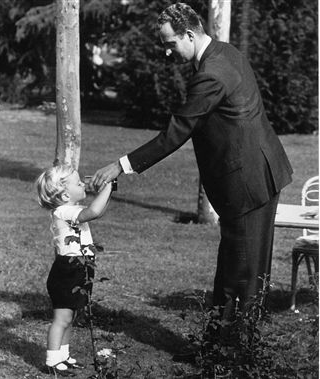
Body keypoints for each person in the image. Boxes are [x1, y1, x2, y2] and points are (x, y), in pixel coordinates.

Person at [89, 3, 293, 327]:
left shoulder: (212, 73)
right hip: (250, 177)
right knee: (231, 270)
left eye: (170, 44)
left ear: (188, 34)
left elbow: (176, 132)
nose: (168, 53)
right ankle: (215, 351)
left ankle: (238, 359)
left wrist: (119, 165)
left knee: (245, 276)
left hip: (251, 183)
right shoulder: (224, 53)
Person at [36, 165, 113, 376]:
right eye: (78, 182)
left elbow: (99, 210)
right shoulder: (63, 211)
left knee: (70, 316)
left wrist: (107, 192)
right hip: (67, 270)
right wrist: (107, 187)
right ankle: (52, 361)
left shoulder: (73, 209)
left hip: (79, 267)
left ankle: (64, 356)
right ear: (65, 194)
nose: (83, 184)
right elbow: (94, 212)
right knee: (62, 318)